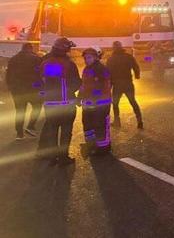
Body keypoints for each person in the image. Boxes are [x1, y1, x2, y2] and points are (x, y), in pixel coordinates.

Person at [38, 37, 81, 165]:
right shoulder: (69, 64)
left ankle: (52, 158)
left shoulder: (45, 63)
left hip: (50, 105)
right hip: (66, 104)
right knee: (66, 132)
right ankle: (63, 158)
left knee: (52, 131)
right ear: (65, 49)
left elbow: (41, 81)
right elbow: (76, 82)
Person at [78, 47, 112, 158]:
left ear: (95, 57)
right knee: (88, 124)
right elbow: (83, 85)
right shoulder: (86, 69)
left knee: (100, 125)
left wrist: (94, 94)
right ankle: (91, 146)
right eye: (85, 58)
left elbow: (104, 84)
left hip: (101, 104)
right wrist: (80, 97)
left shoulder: (101, 68)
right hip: (88, 104)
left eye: (89, 57)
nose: (86, 60)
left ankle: (103, 148)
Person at [5, 43, 43, 140]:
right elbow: (41, 74)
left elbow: (8, 74)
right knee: (37, 107)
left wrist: (10, 87)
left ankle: (19, 134)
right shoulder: (36, 59)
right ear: (31, 49)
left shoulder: (13, 59)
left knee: (20, 111)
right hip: (32, 90)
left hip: (17, 90)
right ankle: (30, 126)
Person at [106, 41, 143, 129]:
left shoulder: (111, 59)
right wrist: (137, 75)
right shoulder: (128, 57)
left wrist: (109, 86)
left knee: (115, 103)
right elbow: (136, 66)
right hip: (128, 83)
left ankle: (117, 121)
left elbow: (108, 73)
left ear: (113, 48)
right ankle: (139, 120)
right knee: (133, 101)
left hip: (117, 85)